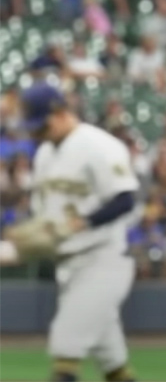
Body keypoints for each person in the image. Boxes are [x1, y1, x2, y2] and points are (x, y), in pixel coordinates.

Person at [0, 84, 140, 382]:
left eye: (43, 125)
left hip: (103, 260)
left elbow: (125, 199)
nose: (38, 134)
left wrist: (82, 223)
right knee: (113, 363)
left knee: (65, 345)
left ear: (61, 112)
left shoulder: (99, 145)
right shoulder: (44, 155)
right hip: (69, 265)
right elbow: (46, 221)